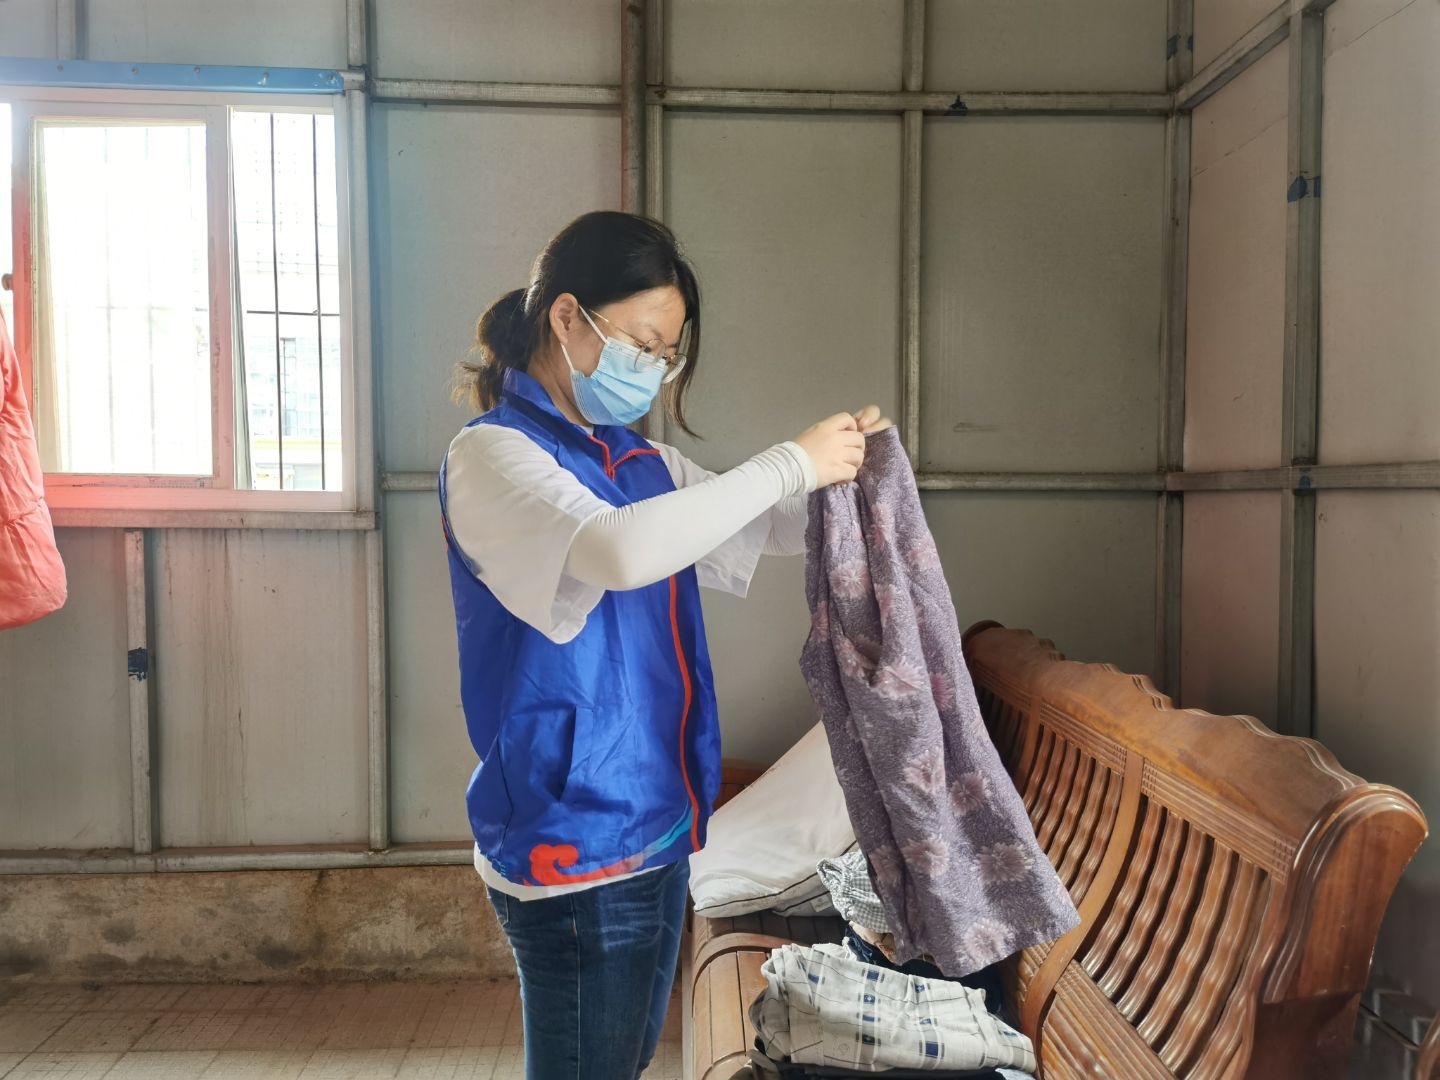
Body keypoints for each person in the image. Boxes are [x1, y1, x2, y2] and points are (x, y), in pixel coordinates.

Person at [439, 210, 891, 1079]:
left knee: (624, 1059)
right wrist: (790, 461)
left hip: (658, 822)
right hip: (574, 839)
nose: (653, 369)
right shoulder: (494, 456)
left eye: (666, 354)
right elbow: (619, 550)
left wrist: (855, 483)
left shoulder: (638, 461)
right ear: (567, 317)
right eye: (643, 344)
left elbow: (764, 521)